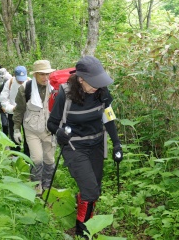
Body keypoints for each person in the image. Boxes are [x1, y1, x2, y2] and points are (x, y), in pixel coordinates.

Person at [47, 56, 123, 239]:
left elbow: (109, 118)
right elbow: (51, 124)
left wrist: (117, 143)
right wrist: (58, 133)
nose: (97, 86)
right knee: (90, 190)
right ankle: (83, 232)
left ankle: (84, 210)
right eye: (93, 83)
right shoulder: (66, 93)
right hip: (74, 146)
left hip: (96, 144)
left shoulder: (102, 93)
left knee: (94, 188)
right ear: (80, 79)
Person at [13, 60, 56, 195]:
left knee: (49, 160)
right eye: (42, 74)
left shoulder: (54, 88)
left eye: (47, 74)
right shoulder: (26, 88)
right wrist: (16, 130)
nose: (45, 78)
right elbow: (19, 110)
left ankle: (47, 186)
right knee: (37, 159)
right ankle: (36, 186)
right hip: (31, 130)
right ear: (35, 75)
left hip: (49, 130)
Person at [0, 66, 30, 156]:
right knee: (14, 135)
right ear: (15, 76)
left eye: (23, 79)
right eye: (19, 79)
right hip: (13, 113)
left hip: (27, 114)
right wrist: (11, 108)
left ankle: (27, 157)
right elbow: (3, 100)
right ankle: (15, 156)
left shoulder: (30, 82)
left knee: (28, 136)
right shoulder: (9, 83)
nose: (21, 81)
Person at [0, 73, 12, 138]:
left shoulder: (14, 87)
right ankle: (5, 138)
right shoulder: (0, 87)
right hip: (3, 109)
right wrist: (1, 107)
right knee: (4, 124)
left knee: (11, 125)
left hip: (12, 109)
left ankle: (12, 140)